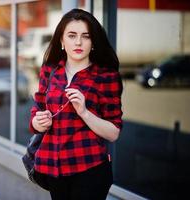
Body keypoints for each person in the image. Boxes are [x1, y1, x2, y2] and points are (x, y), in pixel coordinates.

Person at [29, 8, 123, 200]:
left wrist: (84, 112)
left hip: (89, 169)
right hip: (54, 170)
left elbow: (113, 133)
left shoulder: (106, 76)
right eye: (72, 36)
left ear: (93, 42)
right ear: (62, 41)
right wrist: (38, 122)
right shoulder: (50, 70)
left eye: (85, 36)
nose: (78, 42)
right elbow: (35, 114)